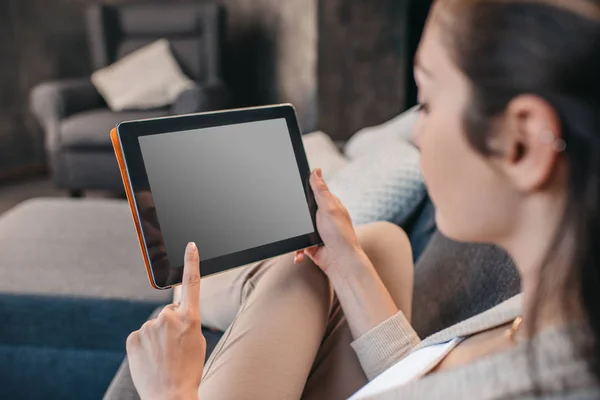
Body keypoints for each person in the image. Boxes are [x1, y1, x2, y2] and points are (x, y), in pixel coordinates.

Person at [121, 0, 600, 398]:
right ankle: (206, 282)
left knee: (322, 261)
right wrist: (346, 263)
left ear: (522, 143)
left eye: (427, 102)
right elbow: (414, 383)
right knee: (377, 242)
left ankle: (200, 284)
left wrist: (171, 392)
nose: (416, 130)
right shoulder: (549, 311)